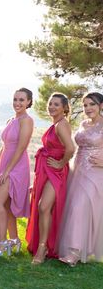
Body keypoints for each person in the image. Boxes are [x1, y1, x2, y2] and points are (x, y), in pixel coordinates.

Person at [26, 93, 75, 264]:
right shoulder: (56, 124)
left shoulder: (62, 125)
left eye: (56, 104)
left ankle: (42, 247)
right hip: (47, 170)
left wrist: (61, 164)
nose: (52, 107)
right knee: (44, 208)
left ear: (64, 108)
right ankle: (43, 245)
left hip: (56, 171)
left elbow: (70, 148)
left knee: (44, 206)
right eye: (50, 104)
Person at [58, 92, 103, 265]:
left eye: (92, 104)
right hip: (77, 170)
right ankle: (81, 247)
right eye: (85, 105)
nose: (88, 108)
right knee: (76, 208)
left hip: (95, 172)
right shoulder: (83, 124)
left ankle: (75, 252)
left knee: (79, 207)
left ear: (101, 106)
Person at [0, 88, 34, 256]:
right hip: (5, 165)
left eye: (22, 100)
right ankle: (14, 239)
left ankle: (1, 244)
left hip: (16, 167)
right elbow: (5, 146)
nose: (17, 103)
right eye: (15, 99)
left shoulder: (27, 121)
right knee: (6, 205)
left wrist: (7, 171)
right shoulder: (11, 120)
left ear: (29, 102)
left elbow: (21, 147)